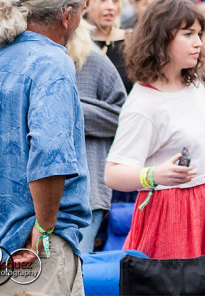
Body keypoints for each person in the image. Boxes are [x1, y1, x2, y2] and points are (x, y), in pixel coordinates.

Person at [0, 0, 89, 295]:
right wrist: (44, 231)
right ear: (67, 14)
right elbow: (49, 156)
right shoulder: (52, 62)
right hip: (32, 253)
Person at [104, 0, 205, 259]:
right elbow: (113, 174)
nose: (198, 42)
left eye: (199, 33)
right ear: (161, 39)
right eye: (187, 34)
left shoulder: (194, 83)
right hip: (172, 212)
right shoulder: (143, 104)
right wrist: (154, 175)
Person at [67, 19, 126, 254]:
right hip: (38, 188)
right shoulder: (33, 57)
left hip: (87, 188)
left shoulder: (93, 58)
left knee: (77, 268)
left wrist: (72, 110)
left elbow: (122, 115)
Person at [84, 0, 133, 92]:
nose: (110, 7)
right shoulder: (73, 42)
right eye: (102, 0)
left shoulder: (129, 40)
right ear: (85, 3)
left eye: (115, 1)